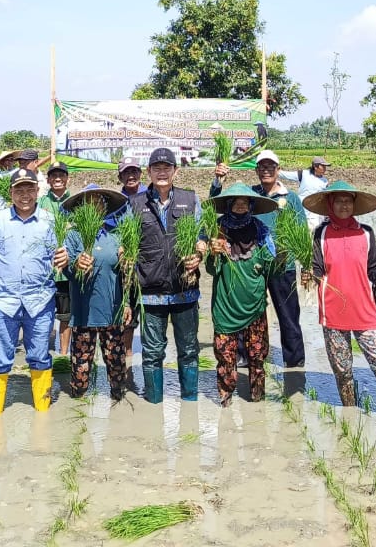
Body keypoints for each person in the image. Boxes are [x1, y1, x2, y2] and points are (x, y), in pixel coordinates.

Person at [0, 168, 70, 415]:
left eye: (29, 189)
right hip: (3, 302)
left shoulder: (50, 221)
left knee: (40, 357)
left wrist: (66, 257)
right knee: (0, 359)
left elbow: (62, 256)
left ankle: (42, 415)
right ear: (11, 193)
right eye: (19, 190)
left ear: (37, 191)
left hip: (40, 301)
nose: (25, 195)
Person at [301, 181, 376, 412]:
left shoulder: (366, 233)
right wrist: (308, 276)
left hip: (365, 310)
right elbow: (316, 269)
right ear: (330, 204)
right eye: (339, 201)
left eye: (348, 201)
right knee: (343, 370)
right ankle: (350, 414)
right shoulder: (320, 234)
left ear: (354, 205)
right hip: (333, 313)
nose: (344, 205)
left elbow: (374, 270)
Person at [212, 149, 306, 368]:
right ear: (256, 171)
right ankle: (246, 357)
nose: (266, 171)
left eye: (270, 167)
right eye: (262, 167)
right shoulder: (249, 195)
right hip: (252, 265)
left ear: (278, 170)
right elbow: (219, 206)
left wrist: (299, 261)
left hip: (282, 266)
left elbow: (300, 232)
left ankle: (294, 363)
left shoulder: (290, 198)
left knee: (288, 315)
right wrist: (218, 180)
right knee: (251, 311)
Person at [131, 147, 202, 403]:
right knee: (151, 353)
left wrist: (199, 253)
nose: (162, 172)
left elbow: (202, 235)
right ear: (148, 172)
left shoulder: (191, 200)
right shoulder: (136, 204)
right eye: (156, 168)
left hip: (185, 290)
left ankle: (190, 402)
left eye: (167, 167)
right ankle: (153, 404)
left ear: (175, 171)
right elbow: (128, 244)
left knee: (189, 350)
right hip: (151, 294)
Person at [200, 184, 276, 406]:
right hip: (225, 305)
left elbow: (270, 267)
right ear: (228, 205)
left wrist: (272, 262)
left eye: (245, 201)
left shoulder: (261, 231)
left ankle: (257, 399)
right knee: (225, 356)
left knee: (257, 355)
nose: (241, 205)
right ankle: (225, 397)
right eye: (236, 201)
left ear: (251, 205)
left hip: (254, 305)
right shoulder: (218, 230)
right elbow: (212, 270)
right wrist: (214, 254)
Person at [61, 185, 131, 400]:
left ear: (105, 206)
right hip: (84, 314)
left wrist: (126, 303)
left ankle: (118, 411)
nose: (93, 206)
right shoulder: (73, 236)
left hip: (112, 312)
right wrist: (78, 266)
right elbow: (68, 270)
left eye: (98, 201)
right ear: (80, 208)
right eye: (87, 202)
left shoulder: (117, 235)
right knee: (80, 372)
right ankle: (77, 407)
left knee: (117, 368)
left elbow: (126, 276)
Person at [39, 161, 74, 357]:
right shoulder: (42, 204)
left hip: (67, 271)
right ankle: (41, 354)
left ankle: (62, 355)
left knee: (66, 316)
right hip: (46, 270)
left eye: (61, 175)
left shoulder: (77, 202)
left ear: (67, 178)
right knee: (43, 315)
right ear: (48, 179)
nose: (58, 179)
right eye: (54, 175)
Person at [115, 158, 146, 372]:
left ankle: (150, 358)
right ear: (120, 177)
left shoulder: (149, 197)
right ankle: (127, 355)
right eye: (126, 173)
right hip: (125, 266)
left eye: (134, 171)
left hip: (149, 265)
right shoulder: (116, 201)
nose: (131, 176)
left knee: (150, 312)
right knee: (127, 311)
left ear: (141, 174)